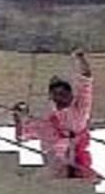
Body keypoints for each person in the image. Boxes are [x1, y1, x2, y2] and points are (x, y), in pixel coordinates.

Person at [13, 50, 97, 180]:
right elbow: (21, 136)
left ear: (70, 96)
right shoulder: (46, 123)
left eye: (63, 94)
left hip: (75, 161)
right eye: (56, 94)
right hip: (54, 165)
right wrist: (18, 117)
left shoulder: (79, 110)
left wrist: (80, 58)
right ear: (51, 97)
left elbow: (86, 79)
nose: (60, 97)